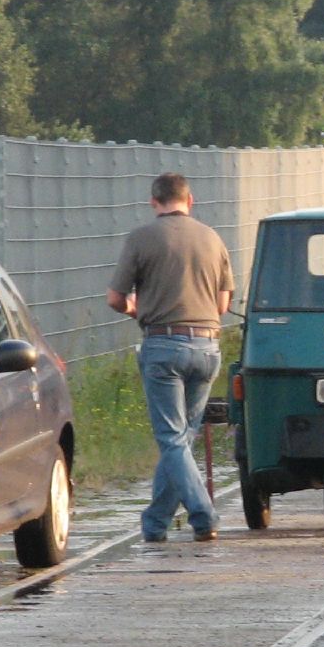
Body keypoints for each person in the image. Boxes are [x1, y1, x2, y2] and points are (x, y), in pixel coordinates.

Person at [106, 172, 235, 543]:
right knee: (181, 439)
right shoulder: (213, 238)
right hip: (207, 347)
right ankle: (156, 524)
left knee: (172, 439)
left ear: (154, 202)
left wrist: (138, 310)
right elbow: (223, 304)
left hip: (163, 346)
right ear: (190, 200)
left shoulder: (141, 238)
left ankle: (204, 515)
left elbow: (115, 298)